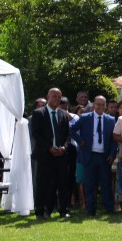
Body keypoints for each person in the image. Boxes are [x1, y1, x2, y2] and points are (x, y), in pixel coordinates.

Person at [70, 95, 117, 217]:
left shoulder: (110, 120)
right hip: (89, 155)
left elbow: (114, 139)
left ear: (105, 106)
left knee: (106, 184)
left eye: (103, 104)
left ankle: (109, 208)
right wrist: (80, 141)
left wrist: (112, 154)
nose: (100, 106)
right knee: (90, 184)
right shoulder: (85, 118)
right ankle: (91, 209)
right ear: (94, 105)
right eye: (98, 104)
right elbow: (71, 129)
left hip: (104, 157)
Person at [30, 88, 71, 220]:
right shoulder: (38, 114)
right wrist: (49, 148)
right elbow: (36, 134)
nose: (57, 99)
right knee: (43, 184)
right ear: (48, 97)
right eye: (54, 96)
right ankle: (40, 212)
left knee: (63, 183)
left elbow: (67, 135)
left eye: (59, 97)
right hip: (44, 154)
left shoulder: (64, 115)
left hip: (61, 155)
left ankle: (63, 210)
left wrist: (64, 147)